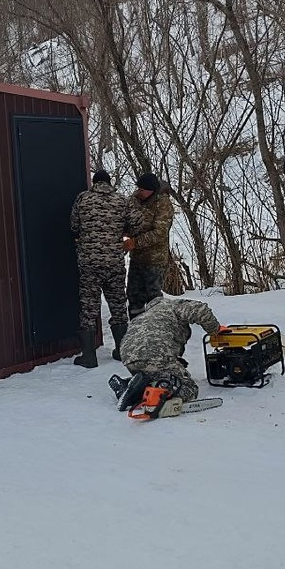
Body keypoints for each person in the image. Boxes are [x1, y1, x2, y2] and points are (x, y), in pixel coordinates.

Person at [70, 169, 144, 368]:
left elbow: (74, 226)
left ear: (94, 183)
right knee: (118, 305)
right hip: (114, 262)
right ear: (109, 183)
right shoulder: (121, 200)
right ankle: (121, 350)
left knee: (89, 307)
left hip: (90, 263)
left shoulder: (83, 198)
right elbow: (137, 224)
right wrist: (119, 230)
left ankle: (88, 356)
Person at [112, 295, 225, 408]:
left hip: (128, 358)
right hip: (155, 354)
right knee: (189, 388)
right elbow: (200, 309)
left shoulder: (143, 317)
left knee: (155, 375)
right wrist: (215, 330)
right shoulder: (173, 306)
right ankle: (155, 392)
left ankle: (129, 386)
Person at [124, 172, 174, 321]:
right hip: (137, 258)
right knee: (133, 295)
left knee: (153, 298)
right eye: (138, 188)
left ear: (151, 190)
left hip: (154, 260)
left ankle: (157, 328)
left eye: (142, 189)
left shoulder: (163, 204)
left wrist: (135, 242)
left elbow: (159, 233)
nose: (138, 192)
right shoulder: (134, 200)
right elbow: (126, 219)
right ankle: (136, 327)